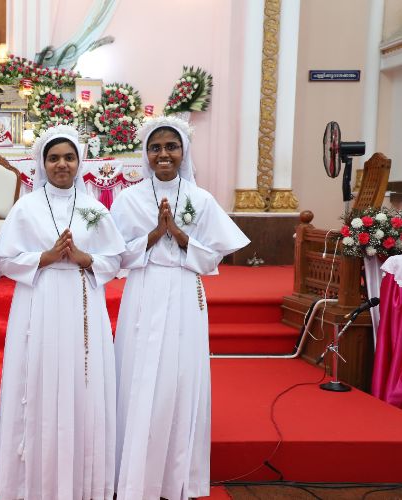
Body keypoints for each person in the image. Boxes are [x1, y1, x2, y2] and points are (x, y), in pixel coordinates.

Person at [110, 116, 250, 500]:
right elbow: (117, 255)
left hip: (185, 290)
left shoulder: (200, 199)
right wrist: (155, 234)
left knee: (180, 377)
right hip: (144, 288)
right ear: (145, 153)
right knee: (138, 374)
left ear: (184, 151)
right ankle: (132, 475)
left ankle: (174, 479)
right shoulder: (129, 199)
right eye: (155, 147)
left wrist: (180, 235)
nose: (164, 154)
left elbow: (215, 255)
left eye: (171, 146)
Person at [0, 125, 126, 499]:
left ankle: (84, 478)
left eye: (69, 157)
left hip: (83, 299)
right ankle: (35, 480)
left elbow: (115, 258)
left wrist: (86, 258)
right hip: (40, 297)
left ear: (79, 162)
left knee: (83, 380)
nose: (61, 164)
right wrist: (46, 257)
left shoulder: (94, 208)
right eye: (53, 158)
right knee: (39, 374)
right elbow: (5, 260)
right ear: (42, 163)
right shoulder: (26, 207)